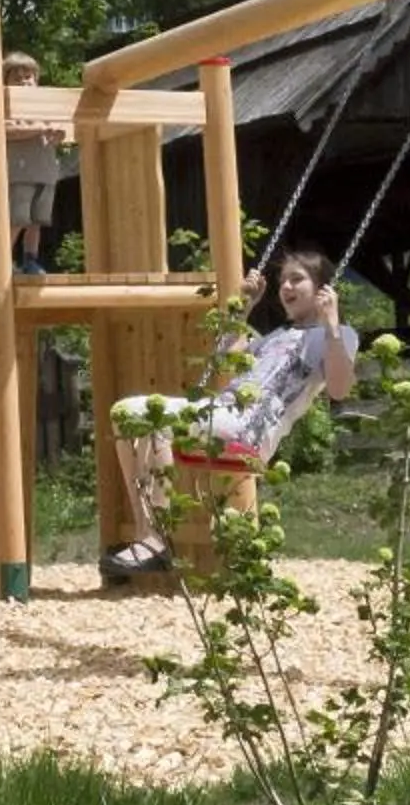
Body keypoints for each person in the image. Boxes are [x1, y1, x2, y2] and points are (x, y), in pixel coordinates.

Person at [99, 248, 358, 584]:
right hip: (222, 414)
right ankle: (149, 533)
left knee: (154, 418)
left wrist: (333, 325)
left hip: (249, 429)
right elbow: (223, 361)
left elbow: (339, 389)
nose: (286, 287)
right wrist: (245, 306)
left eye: (297, 279)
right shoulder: (275, 338)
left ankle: (156, 541)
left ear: (323, 288)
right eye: (282, 281)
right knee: (128, 414)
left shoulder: (336, 336)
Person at [0, 50, 65, 275]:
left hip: (44, 171)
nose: (23, 81)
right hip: (20, 171)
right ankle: (2, 262)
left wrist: (58, 134)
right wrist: (37, 129)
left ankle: (30, 259)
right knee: (17, 219)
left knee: (37, 220)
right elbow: (5, 131)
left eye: (28, 77)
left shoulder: (43, 107)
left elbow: (58, 132)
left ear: (36, 80)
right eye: (16, 77)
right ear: (5, 83)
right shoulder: (5, 106)